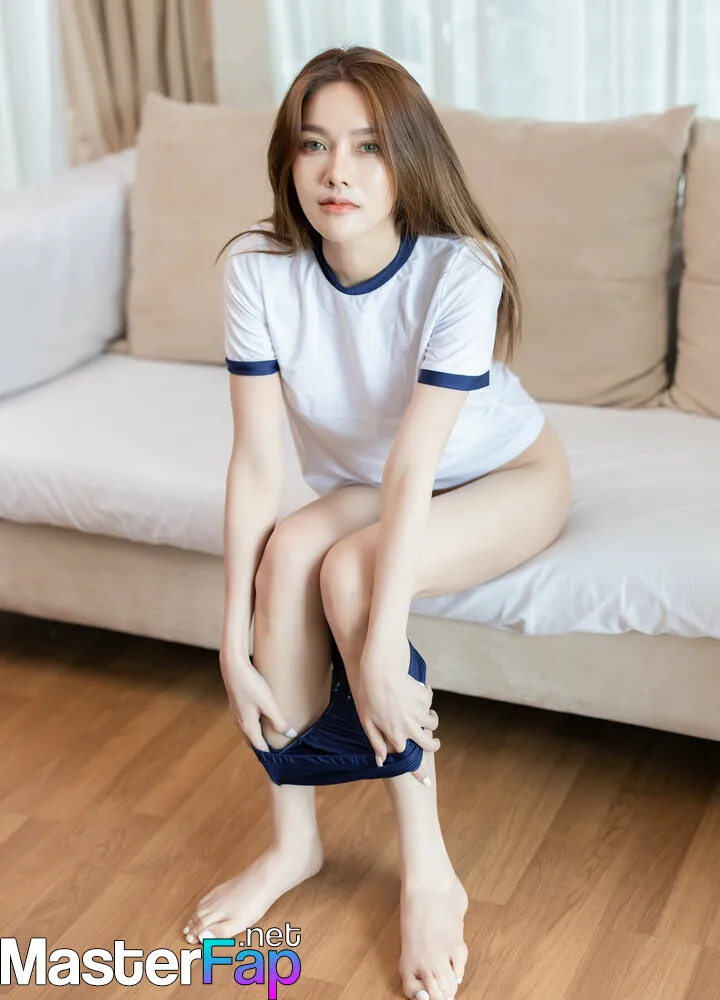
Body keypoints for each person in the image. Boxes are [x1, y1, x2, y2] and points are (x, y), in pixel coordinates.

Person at [182, 45, 572, 1000]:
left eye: (367, 146)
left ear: (408, 161)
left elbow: (415, 463)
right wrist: (228, 643)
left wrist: (384, 646)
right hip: (378, 482)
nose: (337, 171)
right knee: (288, 554)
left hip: (505, 475)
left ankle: (430, 873)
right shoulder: (258, 270)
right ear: (288, 159)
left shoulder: (460, 269)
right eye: (314, 144)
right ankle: (294, 844)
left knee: (350, 573)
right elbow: (258, 462)